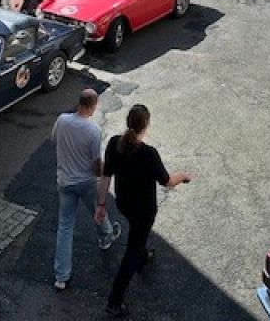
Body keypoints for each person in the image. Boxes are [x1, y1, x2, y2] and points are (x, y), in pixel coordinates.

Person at [99, 104, 193, 317]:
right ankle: (114, 301)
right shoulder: (148, 154)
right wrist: (183, 176)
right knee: (132, 249)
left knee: (137, 236)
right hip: (143, 211)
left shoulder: (114, 143)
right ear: (146, 125)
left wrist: (101, 205)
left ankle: (142, 257)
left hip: (124, 204)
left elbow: (106, 175)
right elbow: (167, 182)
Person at [51, 89, 121, 291]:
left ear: (79, 102)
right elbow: (96, 162)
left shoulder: (62, 120)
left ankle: (61, 277)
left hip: (65, 181)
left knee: (65, 227)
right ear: (93, 106)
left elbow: (54, 139)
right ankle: (106, 236)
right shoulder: (93, 130)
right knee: (98, 211)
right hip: (86, 182)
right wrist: (101, 176)